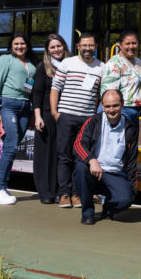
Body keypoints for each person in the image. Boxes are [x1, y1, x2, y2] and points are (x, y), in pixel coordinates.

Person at [50, 32, 106, 209]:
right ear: (78, 46)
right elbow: (55, 88)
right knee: (64, 156)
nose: (87, 48)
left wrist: (92, 114)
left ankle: (76, 194)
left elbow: (99, 95)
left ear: (95, 47)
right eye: (84, 45)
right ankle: (64, 194)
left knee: (81, 157)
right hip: (66, 116)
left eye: (91, 45)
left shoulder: (101, 67)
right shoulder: (68, 63)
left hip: (87, 119)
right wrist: (55, 113)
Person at [72, 90, 139, 225]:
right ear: (102, 106)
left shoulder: (130, 128)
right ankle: (87, 213)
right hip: (94, 171)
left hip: (115, 174)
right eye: (107, 106)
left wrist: (132, 190)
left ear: (122, 104)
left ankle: (108, 208)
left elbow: (132, 161)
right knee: (80, 168)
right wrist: (91, 160)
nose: (111, 110)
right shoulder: (92, 121)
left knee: (125, 199)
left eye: (115, 105)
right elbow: (78, 145)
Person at [0, 32, 35, 205]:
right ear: (11, 46)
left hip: (25, 108)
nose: (19, 46)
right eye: (16, 44)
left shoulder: (30, 64)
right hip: (8, 105)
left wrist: (31, 112)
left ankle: (2, 187)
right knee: (10, 146)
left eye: (22, 43)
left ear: (27, 45)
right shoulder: (5, 60)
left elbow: (29, 88)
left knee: (12, 147)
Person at [31, 33, 69, 204]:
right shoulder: (43, 67)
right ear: (48, 50)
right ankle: (46, 192)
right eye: (52, 47)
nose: (56, 50)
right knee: (46, 154)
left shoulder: (72, 64)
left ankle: (62, 190)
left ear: (64, 46)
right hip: (47, 114)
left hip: (66, 113)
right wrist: (37, 116)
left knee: (62, 154)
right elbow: (37, 94)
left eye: (59, 46)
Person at [102, 29, 141, 127]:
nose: (131, 46)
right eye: (127, 44)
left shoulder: (138, 62)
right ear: (120, 45)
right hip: (122, 111)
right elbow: (109, 92)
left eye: (134, 43)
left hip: (137, 110)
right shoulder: (114, 63)